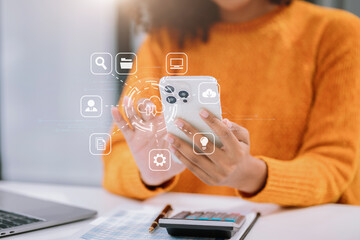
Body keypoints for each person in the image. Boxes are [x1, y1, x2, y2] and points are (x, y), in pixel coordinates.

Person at [103, 0, 360, 206]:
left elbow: (332, 167)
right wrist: (149, 173)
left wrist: (250, 174)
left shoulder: (335, 32)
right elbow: (116, 158)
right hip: (185, 228)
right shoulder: (164, 39)